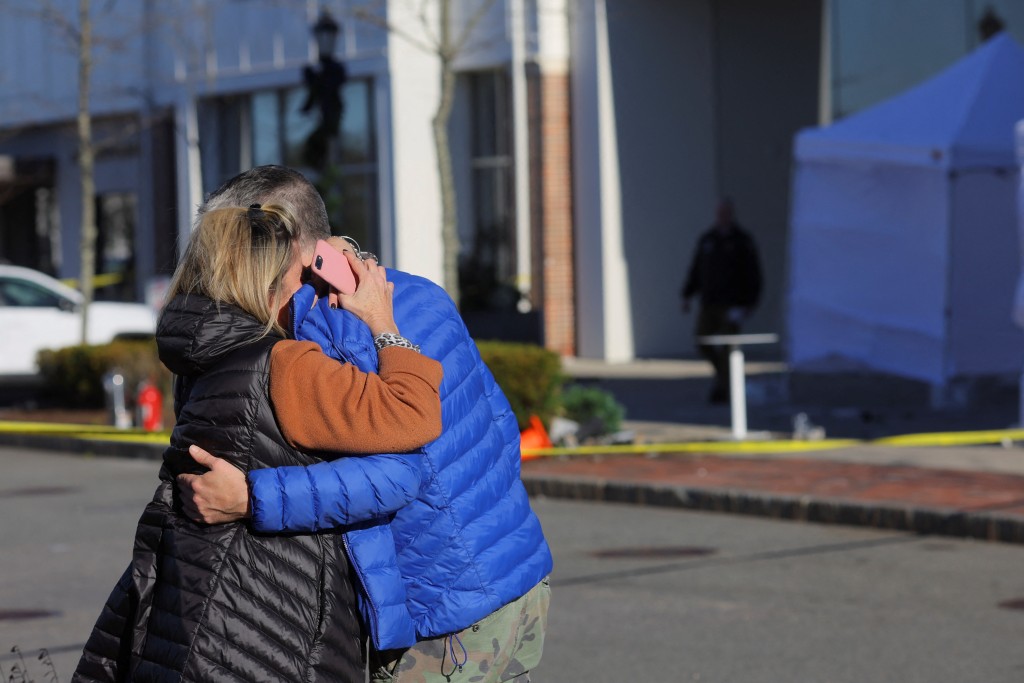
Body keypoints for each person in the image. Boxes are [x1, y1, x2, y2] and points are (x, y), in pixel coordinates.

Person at [177, 165, 553, 682]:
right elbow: (501, 428)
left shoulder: (322, 336)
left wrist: (251, 497)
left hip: (443, 616)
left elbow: (397, 476)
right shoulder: (413, 290)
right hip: (518, 576)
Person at [72, 203, 443, 682]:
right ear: (267, 282)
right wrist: (382, 322)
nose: (306, 288)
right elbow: (414, 414)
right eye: (297, 275)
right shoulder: (286, 365)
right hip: (273, 622)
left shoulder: (200, 352)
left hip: (200, 604)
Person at [681, 198, 763, 404]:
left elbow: (754, 275)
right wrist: (687, 294)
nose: (722, 217)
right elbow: (696, 269)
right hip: (709, 302)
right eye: (719, 213)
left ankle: (724, 390)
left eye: (725, 213)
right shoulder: (708, 239)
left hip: (732, 304)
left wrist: (748, 304)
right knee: (702, 341)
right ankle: (724, 379)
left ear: (731, 214)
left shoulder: (742, 240)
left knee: (729, 348)